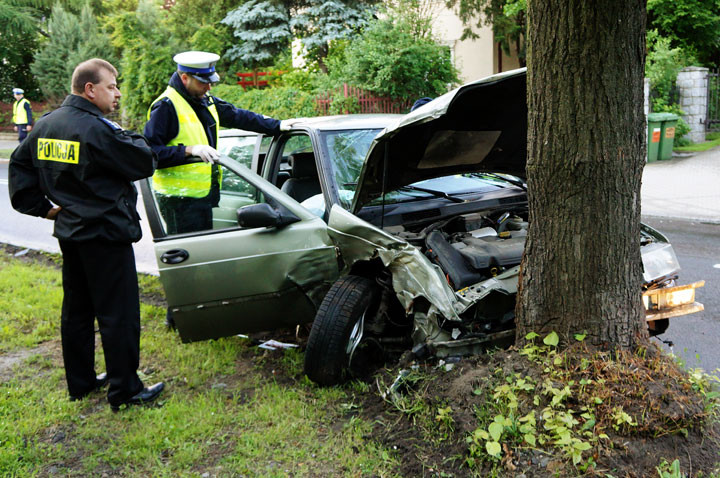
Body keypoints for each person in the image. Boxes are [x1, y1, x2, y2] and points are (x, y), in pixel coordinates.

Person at [8, 58, 165, 411]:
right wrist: (125, 133)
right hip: (106, 234)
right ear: (90, 89)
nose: (118, 93)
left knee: (77, 312)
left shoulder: (46, 124)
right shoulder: (96, 128)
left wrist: (46, 209)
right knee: (118, 313)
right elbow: (143, 161)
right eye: (112, 86)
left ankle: (80, 383)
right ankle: (125, 391)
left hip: (72, 234)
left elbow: (19, 170)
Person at [144, 51, 294, 235]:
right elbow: (150, 153)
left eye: (210, 82)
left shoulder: (203, 100)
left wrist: (277, 125)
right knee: (191, 257)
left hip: (202, 197)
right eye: (203, 82)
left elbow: (239, 117)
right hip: (177, 200)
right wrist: (190, 150)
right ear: (185, 78)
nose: (209, 87)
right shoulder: (166, 106)